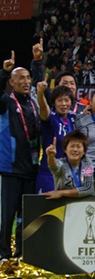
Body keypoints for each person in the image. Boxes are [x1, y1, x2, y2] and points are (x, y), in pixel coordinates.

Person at [0, 52, 40, 261]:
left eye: (27, 78)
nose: (25, 81)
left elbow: (42, 88)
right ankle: (3, 254)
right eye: (20, 78)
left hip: (31, 168)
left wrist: (37, 63)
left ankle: (22, 253)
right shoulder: (6, 103)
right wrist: (3, 72)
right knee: (7, 215)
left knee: (26, 215)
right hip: (10, 168)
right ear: (12, 82)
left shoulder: (33, 104)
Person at [35, 83, 76, 194]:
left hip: (69, 174)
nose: (63, 104)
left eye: (66, 100)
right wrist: (40, 94)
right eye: (60, 100)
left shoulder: (73, 118)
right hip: (49, 174)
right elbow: (43, 108)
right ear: (53, 103)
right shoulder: (51, 117)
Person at [44, 132, 95, 199]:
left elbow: (89, 189)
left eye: (78, 147)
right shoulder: (62, 164)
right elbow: (54, 166)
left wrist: (61, 193)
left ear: (84, 151)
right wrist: (51, 157)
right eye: (72, 146)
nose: (75, 150)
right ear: (65, 149)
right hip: (63, 203)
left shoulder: (87, 163)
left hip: (85, 203)